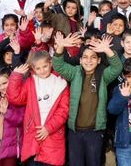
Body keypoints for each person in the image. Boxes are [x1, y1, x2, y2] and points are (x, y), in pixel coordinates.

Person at [52, 32, 122, 166]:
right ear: (80, 60)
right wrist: (60, 46)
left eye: (93, 57)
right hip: (75, 131)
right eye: (85, 57)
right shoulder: (74, 72)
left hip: (95, 132)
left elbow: (117, 67)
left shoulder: (103, 75)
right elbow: (58, 65)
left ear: (99, 60)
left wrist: (107, 50)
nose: (89, 60)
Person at [8, 52, 70, 165]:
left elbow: (63, 111)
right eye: (38, 68)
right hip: (34, 135)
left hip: (52, 135)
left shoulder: (61, 83)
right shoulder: (31, 82)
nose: (42, 70)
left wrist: (48, 128)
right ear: (33, 69)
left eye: (45, 66)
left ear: (50, 63)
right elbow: (15, 98)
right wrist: (16, 76)